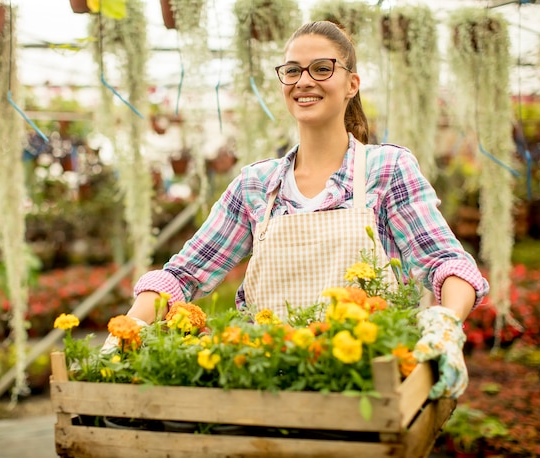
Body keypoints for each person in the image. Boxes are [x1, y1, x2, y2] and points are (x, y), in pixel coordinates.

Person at [107, 21, 489, 400]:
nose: (304, 81)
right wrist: (126, 330)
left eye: (322, 68)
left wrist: (446, 323)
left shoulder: (386, 170)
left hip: (367, 389)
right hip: (265, 388)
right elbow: (183, 275)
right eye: (292, 71)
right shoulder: (256, 185)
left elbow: (445, 262)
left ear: (351, 84)